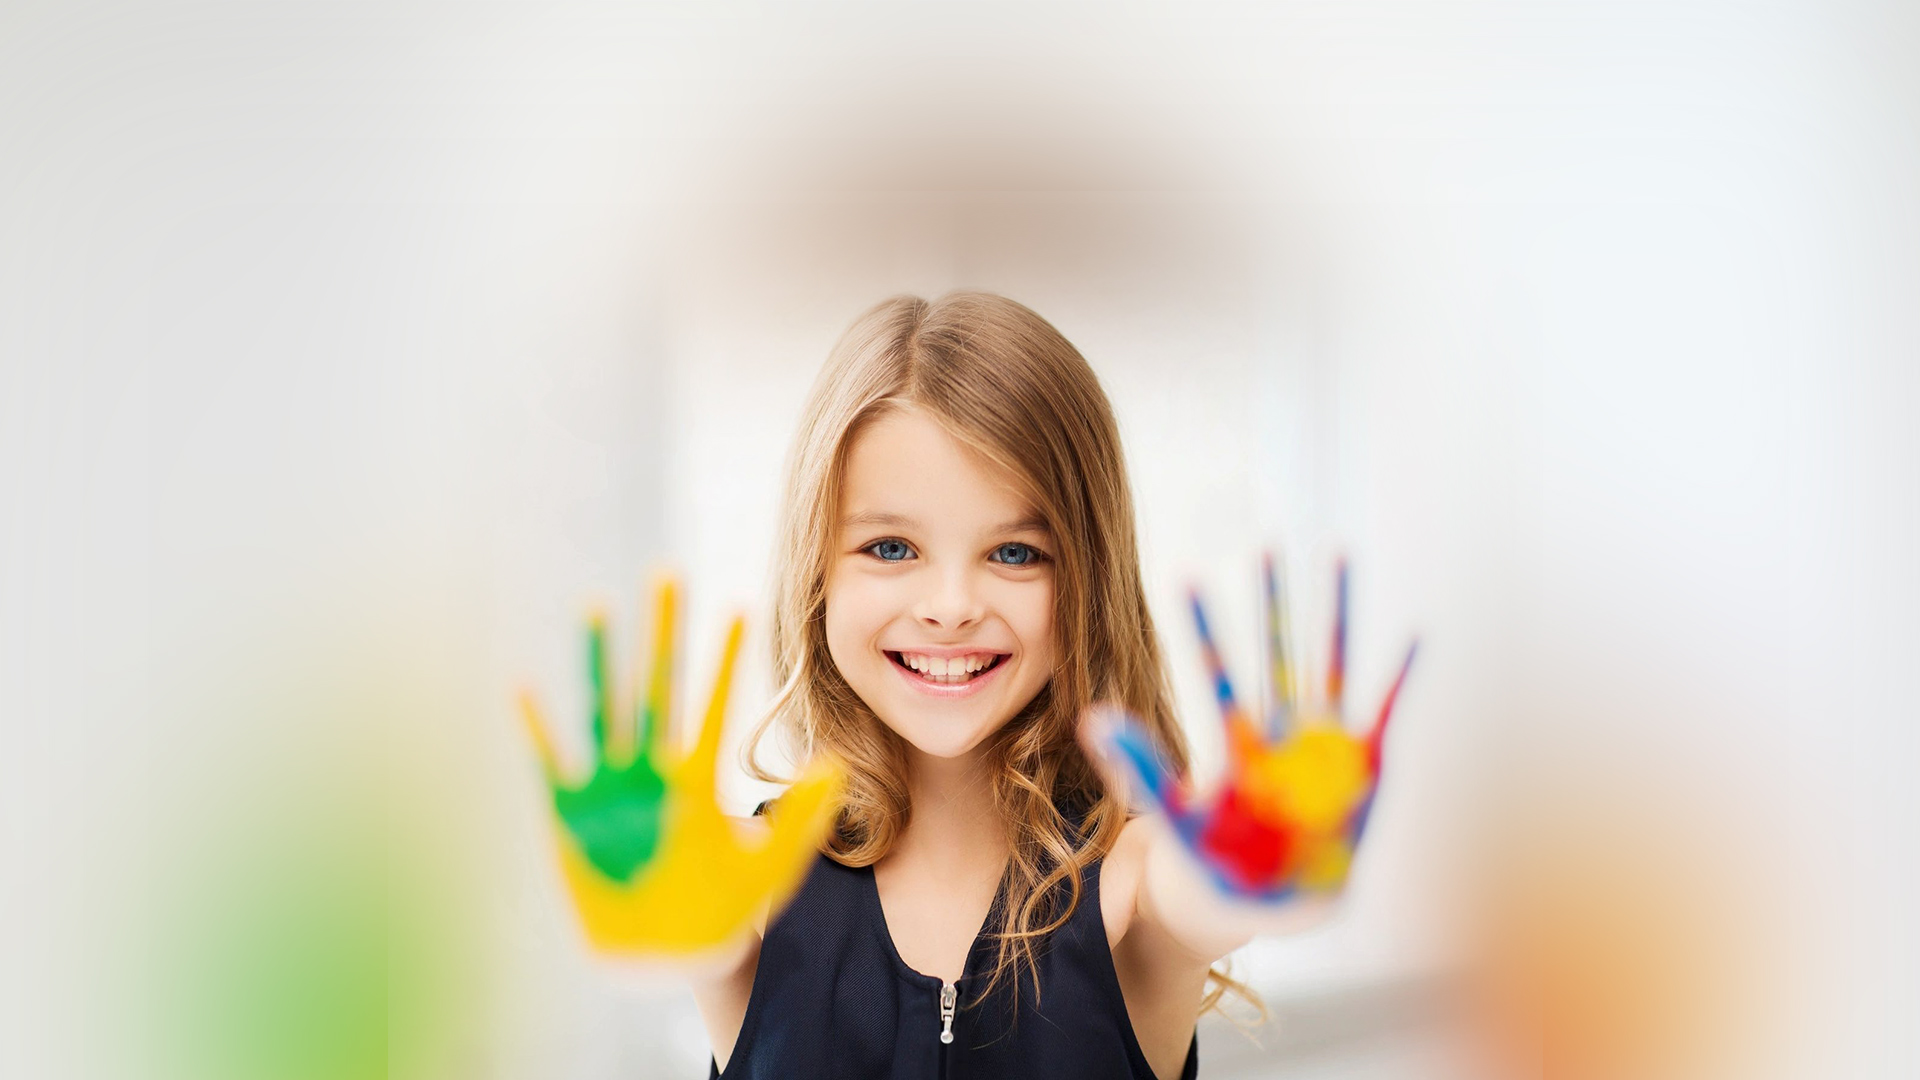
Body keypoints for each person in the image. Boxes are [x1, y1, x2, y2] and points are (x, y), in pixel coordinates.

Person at [686, 291, 1335, 1080]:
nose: (952, 608)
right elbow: (680, 924)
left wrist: (1275, 855)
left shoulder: (1132, 889)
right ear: (817, 573)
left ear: (1089, 579)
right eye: (891, 548)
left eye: (1017, 553)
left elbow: (1208, 895)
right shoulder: (749, 879)